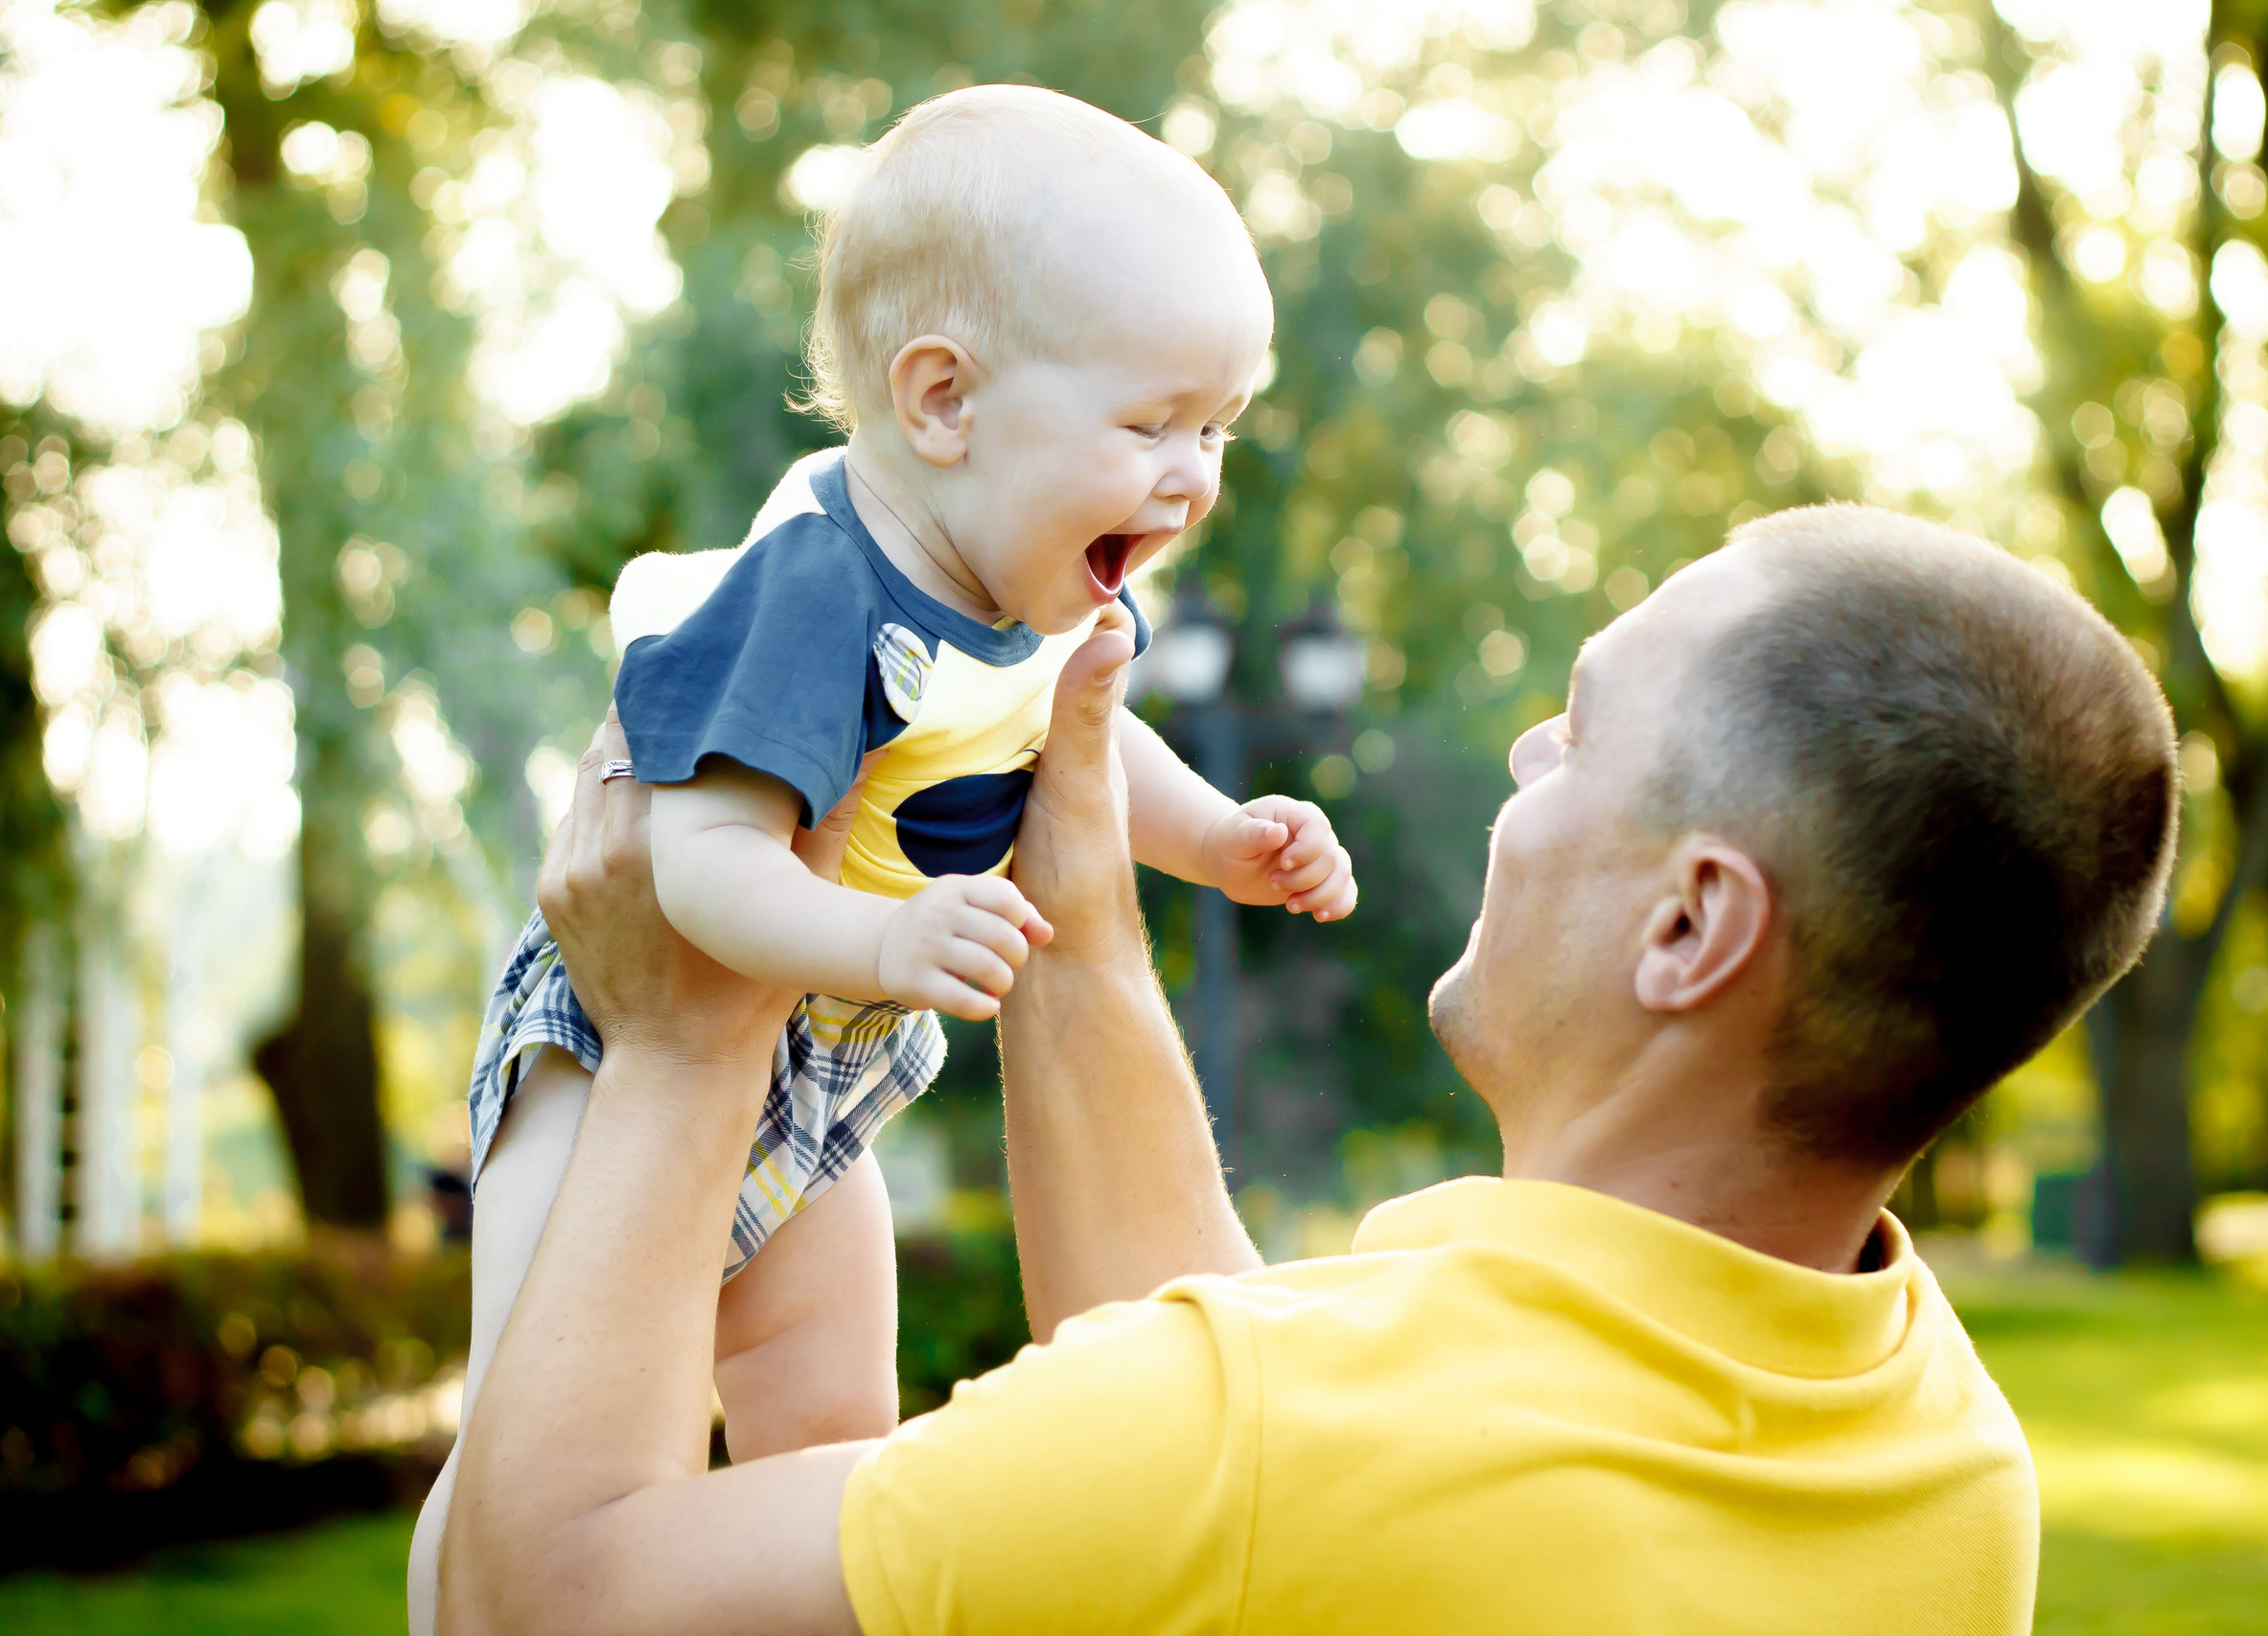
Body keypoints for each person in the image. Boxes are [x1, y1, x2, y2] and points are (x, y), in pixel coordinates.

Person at [439, 504, 2180, 1635]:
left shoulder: (1272, 1441)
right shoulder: (1946, 1465)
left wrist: (687, 1037)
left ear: (1689, 929)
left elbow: (555, 1596)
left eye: (1580, 731)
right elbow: (1249, 1454)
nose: (1526, 749)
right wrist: (1078, 879)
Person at [407, 85, 1359, 1630]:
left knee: (839, 1415)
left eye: (1219, 428)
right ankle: (452, 1600)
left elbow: (1091, 743)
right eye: (1153, 421)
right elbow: (697, 870)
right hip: (618, 1047)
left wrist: (1225, 843)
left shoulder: (1027, 601)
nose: (1195, 476)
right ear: (941, 402)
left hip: (823, 1056)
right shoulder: (814, 593)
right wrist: (885, 948)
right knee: (530, 1427)